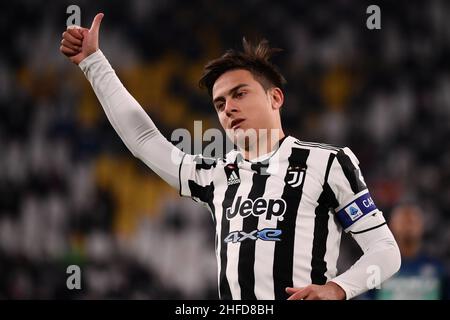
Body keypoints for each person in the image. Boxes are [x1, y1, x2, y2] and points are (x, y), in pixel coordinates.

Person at [59, 13, 401, 300]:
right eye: (220, 104)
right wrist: (93, 63)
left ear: (276, 98)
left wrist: (338, 289)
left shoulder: (328, 163)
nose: (229, 108)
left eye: (240, 93)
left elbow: (385, 251)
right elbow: (144, 139)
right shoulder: (215, 175)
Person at [368, 204, 448, 300]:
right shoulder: (378, 268)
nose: (408, 227)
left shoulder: (437, 267)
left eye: (412, 222)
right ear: (391, 226)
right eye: (403, 222)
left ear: (422, 226)